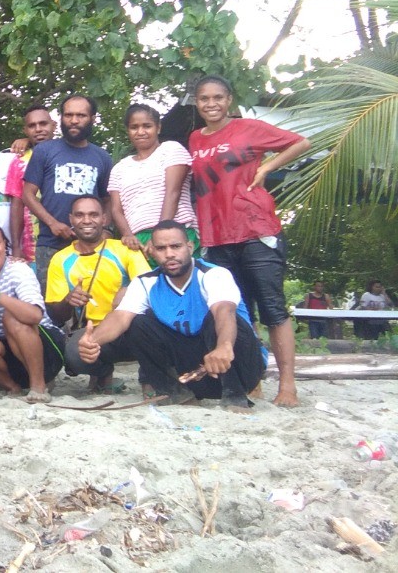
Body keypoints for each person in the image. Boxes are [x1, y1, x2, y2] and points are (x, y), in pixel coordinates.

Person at [188, 74, 311, 407]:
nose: (211, 104)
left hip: (256, 229)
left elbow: (300, 142)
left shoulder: (249, 128)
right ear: (196, 103)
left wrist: (268, 166)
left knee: (272, 308)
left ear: (229, 100)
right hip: (217, 236)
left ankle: (287, 385)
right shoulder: (195, 139)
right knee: (241, 313)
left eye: (218, 97)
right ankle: (253, 378)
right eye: (204, 98)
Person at [78, 220, 265, 409]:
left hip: (238, 366)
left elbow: (224, 311)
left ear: (190, 247)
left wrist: (224, 347)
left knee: (214, 319)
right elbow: (121, 316)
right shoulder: (146, 282)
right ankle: (174, 394)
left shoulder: (214, 274)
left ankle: (235, 397)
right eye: (161, 248)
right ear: (152, 251)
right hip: (192, 373)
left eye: (176, 246)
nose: (169, 254)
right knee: (138, 324)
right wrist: (92, 342)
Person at [44, 195, 150, 393]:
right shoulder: (61, 259)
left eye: (93, 215)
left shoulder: (125, 249)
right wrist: (69, 301)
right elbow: (57, 315)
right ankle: (102, 374)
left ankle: (150, 379)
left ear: (104, 219)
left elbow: (149, 289)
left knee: (152, 325)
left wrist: (128, 292)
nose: (86, 220)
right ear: (71, 219)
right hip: (92, 331)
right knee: (73, 354)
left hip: (129, 327)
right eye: (80, 215)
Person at [0, 220, 64, 402]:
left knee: (13, 317)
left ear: (4, 244)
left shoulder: (18, 269)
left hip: (45, 346)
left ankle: (39, 387)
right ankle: (13, 388)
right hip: (6, 352)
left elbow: (34, 316)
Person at [22, 94, 113, 287]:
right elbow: (27, 195)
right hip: (50, 243)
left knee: (91, 302)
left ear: (92, 118)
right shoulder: (44, 151)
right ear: (61, 118)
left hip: (91, 244)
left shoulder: (102, 157)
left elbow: (107, 200)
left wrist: (105, 229)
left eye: (81, 115)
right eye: (68, 115)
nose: (73, 120)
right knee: (52, 306)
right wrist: (53, 223)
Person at [109, 104, 198, 255]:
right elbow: (116, 210)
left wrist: (159, 235)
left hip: (175, 232)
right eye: (134, 127)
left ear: (158, 127)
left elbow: (173, 193)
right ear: (128, 131)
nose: (141, 132)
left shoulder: (171, 149)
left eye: (147, 126)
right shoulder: (120, 168)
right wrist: (128, 235)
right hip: (138, 243)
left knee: (182, 277)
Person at [8, 105, 57, 265]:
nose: (38, 129)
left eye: (43, 124)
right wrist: (16, 246)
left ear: (54, 125)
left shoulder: (67, 154)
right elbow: (17, 204)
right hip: (32, 249)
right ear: (25, 130)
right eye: (32, 126)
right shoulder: (19, 161)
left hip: (68, 241)